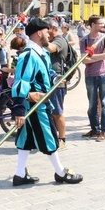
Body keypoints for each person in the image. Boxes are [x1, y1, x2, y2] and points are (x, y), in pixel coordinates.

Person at [11, 18, 83, 186]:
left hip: (41, 101)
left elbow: (47, 72)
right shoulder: (28, 55)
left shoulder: (41, 52)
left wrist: (56, 78)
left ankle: (20, 174)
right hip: (35, 105)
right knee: (49, 135)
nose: (48, 34)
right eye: (46, 31)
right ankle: (60, 172)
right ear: (38, 33)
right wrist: (20, 109)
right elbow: (21, 82)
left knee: (25, 138)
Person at [80, 15, 105, 141]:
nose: (103, 26)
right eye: (100, 23)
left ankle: (104, 131)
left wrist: (92, 56)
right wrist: (100, 56)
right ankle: (95, 129)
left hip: (104, 73)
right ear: (93, 24)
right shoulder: (84, 40)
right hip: (90, 75)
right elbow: (84, 60)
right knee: (92, 104)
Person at [45, 20, 71, 150]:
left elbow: (51, 48)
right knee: (50, 112)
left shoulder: (59, 40)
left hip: (58, 82)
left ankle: (62, 140)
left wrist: (40, 38)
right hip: (48, 81)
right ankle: (53, 138)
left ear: (53, 28)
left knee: (57, 112)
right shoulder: (51, 39)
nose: (44, 32)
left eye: (46, 29)